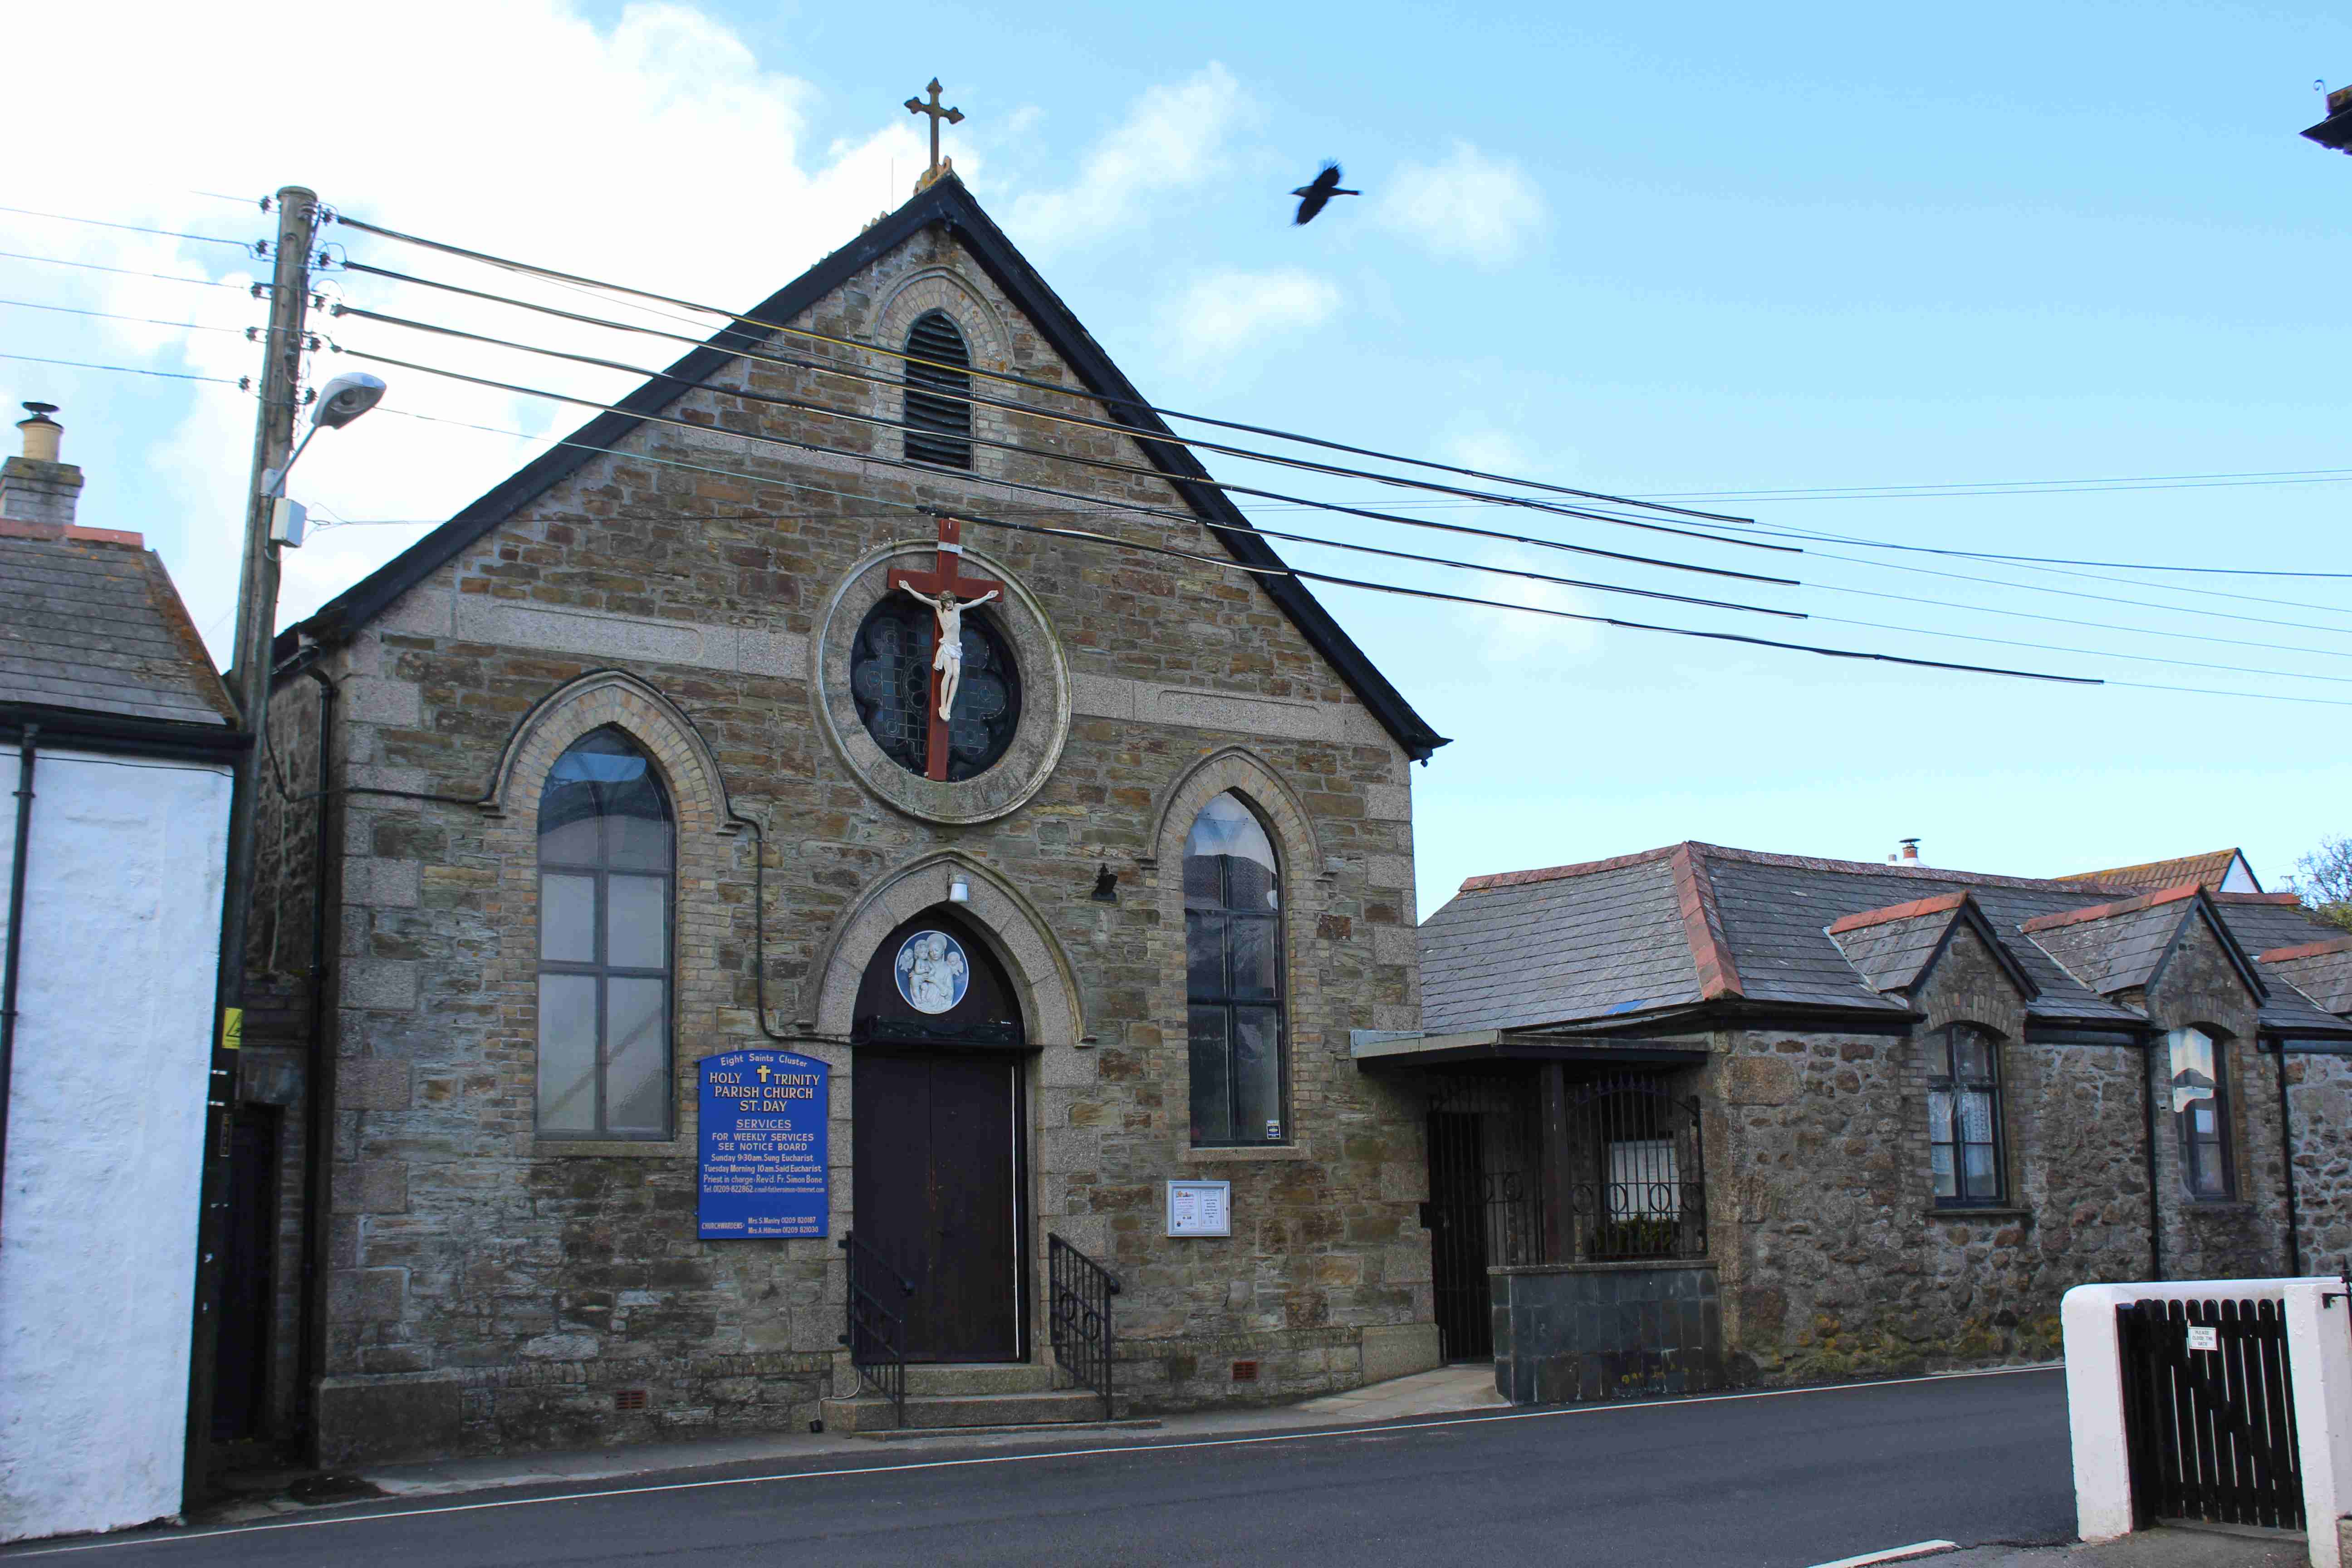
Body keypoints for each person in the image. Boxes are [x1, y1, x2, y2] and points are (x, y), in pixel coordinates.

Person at [897, 583, 999, 721]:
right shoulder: (938, 607)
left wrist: (987, 597)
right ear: (943, 603)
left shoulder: (958, 608)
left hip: (957, 647)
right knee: (949, 672)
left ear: (953, 601)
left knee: (957, 674)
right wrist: (909, 588)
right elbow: (922, 598)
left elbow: (973, 603)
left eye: (950, 602)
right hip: (946, 646)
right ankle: (943, 705)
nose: (949, 605)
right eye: (946, 603)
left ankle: (948, 707)